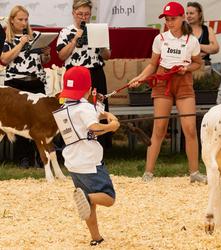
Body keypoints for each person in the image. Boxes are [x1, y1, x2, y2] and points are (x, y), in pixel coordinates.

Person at [129, 2, 206, 183]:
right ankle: (148, 173)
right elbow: (153, 64)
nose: (170, 22)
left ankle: (194, 173)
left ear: (182, 18)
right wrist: (139, 78)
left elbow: (198, 63)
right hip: (163, 82)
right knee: (159, 128)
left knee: (189, 129)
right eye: (167, 19)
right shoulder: (160, 39)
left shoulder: (192, 40)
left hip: (184, 83)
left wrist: (186, 68)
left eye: (173, 19)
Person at [57, 66, 119, 246]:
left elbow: (88, 119)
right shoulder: (85, 108)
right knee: (108, 197)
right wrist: (111, 126)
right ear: (88, 87)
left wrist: (103, 113)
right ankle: (87, 197)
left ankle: (96, 238)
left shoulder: (65, 106)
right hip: (90, 162)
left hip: (73, 162)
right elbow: (93, 127)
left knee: (87, 204)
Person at [56, 0, 112, 150]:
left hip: (94, 73)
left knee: (97, 108)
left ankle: (100, 146)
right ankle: (71, 145)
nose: (83, 17)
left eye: (86, 14)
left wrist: (100, 45)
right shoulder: (66, 31)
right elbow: (61, 55)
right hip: (75, 75)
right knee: (73, 109)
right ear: (73, 13)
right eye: (80, 14)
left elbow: (107, 55)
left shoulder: (97, 29)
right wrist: (75, 38)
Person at [0, 5, 51, 167]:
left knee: (40, 120)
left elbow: (43, 62)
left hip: (35, 82)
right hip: (16, 83)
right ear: (12, 21)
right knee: (20, 121)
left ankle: (41, 157)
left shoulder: (34, 36)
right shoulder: (7, 39)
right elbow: (5, 59)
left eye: (26, 19)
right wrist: (21, 44)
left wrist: (46, 54)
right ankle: (23, 158)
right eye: (20, 19)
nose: (24, 23)